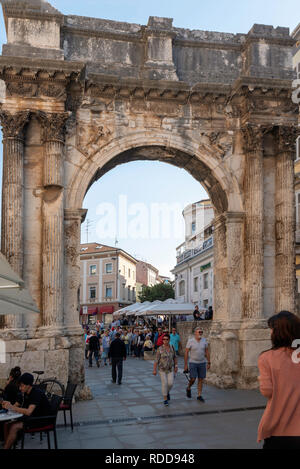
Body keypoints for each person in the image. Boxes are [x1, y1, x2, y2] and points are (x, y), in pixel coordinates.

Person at [257, 311, 300, 449]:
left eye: (271, 329)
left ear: (278, 333)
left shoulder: (267, 357)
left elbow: (267, 391)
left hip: (279, 427)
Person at [2, 373, 52, 450]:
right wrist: (8, 405)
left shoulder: (36, 393)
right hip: (34, 417)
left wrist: (12, 407)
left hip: (42, 419)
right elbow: (20, 407)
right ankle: (8, 445)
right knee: (6, 424)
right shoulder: (26, 393)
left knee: (14, 427)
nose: (20, 388)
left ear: (28, 385)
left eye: (21, 386)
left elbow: (28, 411)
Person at [184, 327, 210, 402]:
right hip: (193, 362)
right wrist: (185, 365)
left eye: (201, 332)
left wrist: (209, 362)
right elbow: (186, 352)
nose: (200, 333)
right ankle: (188, 387)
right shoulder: (190, 341)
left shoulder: (204, 341)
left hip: (202, 362)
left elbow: (207, 351)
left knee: (201, 379)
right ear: (195, 333)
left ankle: (199, 395)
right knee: (193, 379)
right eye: (199, 332)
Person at [153, 334, 178, 406]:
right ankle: (165, 399)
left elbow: (175, 357)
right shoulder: (160, 349)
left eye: (166, 339)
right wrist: (154, 370)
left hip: (170, 369)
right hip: (162, 369)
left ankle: (167, 392)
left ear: (169, 340)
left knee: (170, 383)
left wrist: (176, 366)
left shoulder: (172, 348)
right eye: (164, 339)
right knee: (164, 383)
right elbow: (156, 360)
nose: (165, 341)